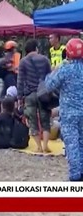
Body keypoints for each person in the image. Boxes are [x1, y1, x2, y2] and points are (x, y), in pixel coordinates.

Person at [45, 38, 83, 181]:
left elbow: (49, 85)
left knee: (72, 144)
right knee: (81, 142)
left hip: (69, 114)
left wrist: (53, 71)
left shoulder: (65, 69)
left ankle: (75, 177)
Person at [17, 39, 51, 153]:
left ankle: (39, 147)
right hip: (43, 93)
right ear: (36, 48)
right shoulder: (45, 60)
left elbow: (20, 81)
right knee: (45, 119)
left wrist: (19, 97)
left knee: (32, 120)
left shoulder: (23, 62)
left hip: (29, 94)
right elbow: (50, 77)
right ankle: (46, 145)